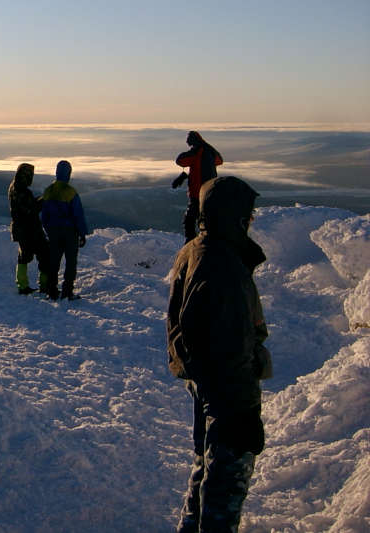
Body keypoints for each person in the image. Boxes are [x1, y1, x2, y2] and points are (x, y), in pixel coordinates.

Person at [166, 176, 273, 533]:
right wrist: (243, 414)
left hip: (206, 383)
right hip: (228, 394)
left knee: (206, 466)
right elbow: (229, 346)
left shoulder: (198, 249)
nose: (252, 221)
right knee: (223, 490)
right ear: (233, 217)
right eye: (247, 215)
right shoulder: (223, 266)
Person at [40, 160, 89, 300]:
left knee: (53, 261)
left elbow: (44, 216)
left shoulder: (48, 191)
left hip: (53, 232)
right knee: (70, 262)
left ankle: (51, 290)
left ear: (56, 172)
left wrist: (48, 230)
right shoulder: (71, 192)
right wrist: (82, 233)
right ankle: (67, 291)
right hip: (69, 232)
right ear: (68, 174)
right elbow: (78, 215)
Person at [173, 131, 223, 242]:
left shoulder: (197, 151)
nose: (188, 143)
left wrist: (192, 152)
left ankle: (191, 241)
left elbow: (180, 161)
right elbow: (219, 161)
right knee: (207, 217)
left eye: (189, 141)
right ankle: (210, 239)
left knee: (190, 219)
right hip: (211, 190)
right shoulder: (210, 151)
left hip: (198, 191)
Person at [8, 163, 49, 294]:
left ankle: (22, 285)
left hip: (20, 229)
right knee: (44, 254)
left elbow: (28, 206)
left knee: (24, 256)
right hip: (30, 229)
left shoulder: (14, 187)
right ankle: (45, 285)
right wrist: (44, 200)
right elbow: (31, 209)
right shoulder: (23, 191)